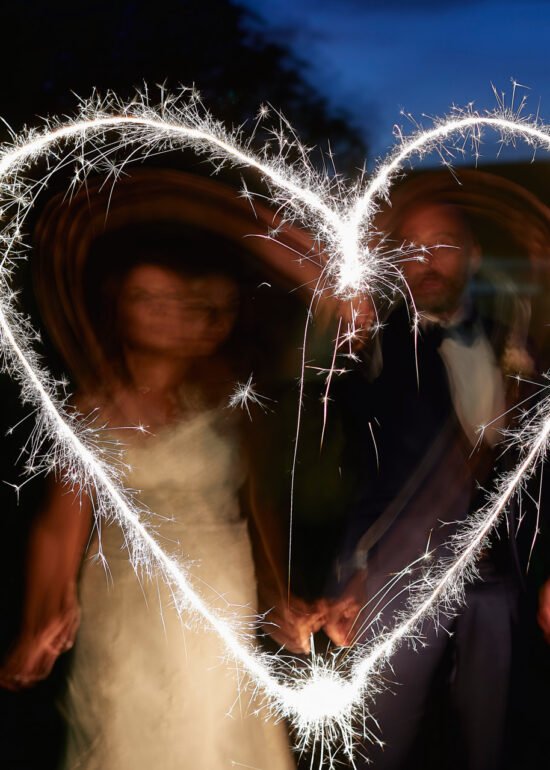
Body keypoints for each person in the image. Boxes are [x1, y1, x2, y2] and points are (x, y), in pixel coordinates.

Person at [0, 233, 296, 770]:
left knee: (215, 728)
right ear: (119, 311)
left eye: (175, 300)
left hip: (218, 594)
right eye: (146, 298)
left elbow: (258, 506)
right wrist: (42, 612)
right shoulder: (91, 408)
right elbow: (61, 522)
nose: (163, 313)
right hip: (128, 603)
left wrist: (278, 593)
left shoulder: (230, 402)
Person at [316, 198, 542, 770]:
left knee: (496, 741)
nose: (425, 260)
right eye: (411, 249)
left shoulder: (517, 345)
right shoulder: (372, 345)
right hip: (399, 579)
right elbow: (350, 453)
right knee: (380, 744)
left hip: (498, 581)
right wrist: (354, 572)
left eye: (441, 243)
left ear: (474, 254)